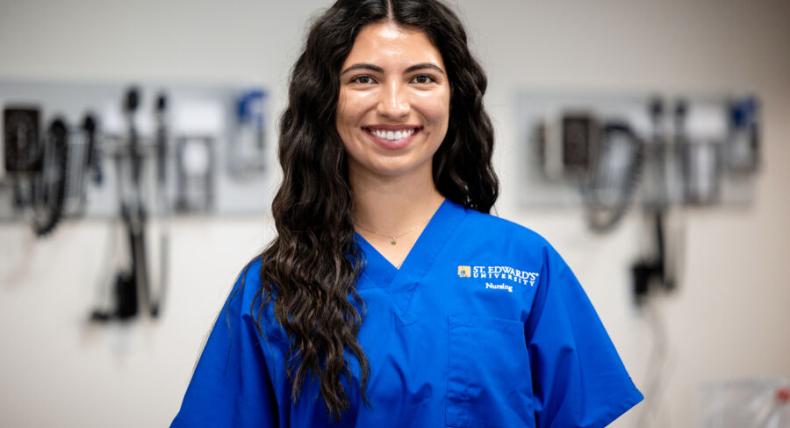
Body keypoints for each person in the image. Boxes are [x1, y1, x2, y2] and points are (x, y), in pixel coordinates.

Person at [171, 0, 643, 426]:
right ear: (326, 101)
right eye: (364, 79)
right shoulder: (273, 287)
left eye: (421, 78)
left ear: (452, 97)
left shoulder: (523, 264)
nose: (394, 106)